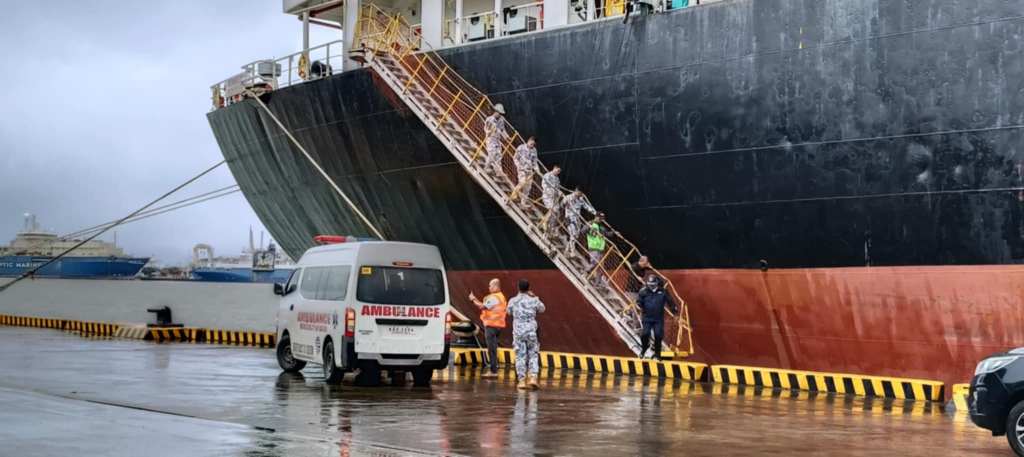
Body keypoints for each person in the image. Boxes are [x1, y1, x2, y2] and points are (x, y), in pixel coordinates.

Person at [507, 278, 545, 390]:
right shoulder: (534, 300)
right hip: (531, 332)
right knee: (533, 354)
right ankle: (533, 378)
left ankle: (522, 381)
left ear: (518, 288)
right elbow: (542, 309)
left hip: (518, 332)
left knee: (520, 356)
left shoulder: (513, 301)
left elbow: (508, 312)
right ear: (529, 288)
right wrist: (534, 296)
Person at [469, 278, 507, 378]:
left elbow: (482, 307)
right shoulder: (501, 297)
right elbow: (484, 305)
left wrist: (473, 299)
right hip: (498, 326)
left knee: (491, 349)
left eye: (490, 285)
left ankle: (493, 371)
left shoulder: (494, 297)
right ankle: (494, 368)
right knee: (493, 348)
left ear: (495, 286)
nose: (489, 287)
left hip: (491, 326)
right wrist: (475, 299)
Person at [636, 276, 678, 360]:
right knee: (644, 334)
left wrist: (675, 313)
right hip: (647, 318)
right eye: (649, 284)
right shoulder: (643, 291)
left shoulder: (663, 292)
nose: (651, 286)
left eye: (653, 284)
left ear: (657, 284)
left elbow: (671, 302)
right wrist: (638, 306)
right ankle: (644, 348)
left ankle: (657, 354)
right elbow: (639, 302)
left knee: (658, 335)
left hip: (658, 319)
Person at [508, 137, 539, 211]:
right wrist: (518, 165)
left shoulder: (534, 151)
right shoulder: (521, 147)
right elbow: (515, 158)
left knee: (527, 188)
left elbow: (534, 162)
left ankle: (523, 203)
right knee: (522, 182)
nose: (532, 145)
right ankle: (512, 196)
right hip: (522, 169)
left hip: (529, 171)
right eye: (531, 143)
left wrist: (537, 169)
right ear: (528, 141)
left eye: (533, 144)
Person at [561, 189, 596, 255]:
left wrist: (595, 213)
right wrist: (564, 204)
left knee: (575, 236)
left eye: (581, 193)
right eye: (579, 192)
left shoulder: (581, 200)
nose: (580, 194)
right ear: (576, 191)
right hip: (569, 219)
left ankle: (567, 249)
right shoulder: (568, 197)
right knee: (573, 235)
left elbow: (587, 207)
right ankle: (572, 252)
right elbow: (562, 204)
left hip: (576, 221)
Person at [483, 104, 510, 178]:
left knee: (498, 156)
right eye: (499, 113)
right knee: (492, 155)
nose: (500, 115)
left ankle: (499, 172)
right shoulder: (489, 119)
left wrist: (506, 137)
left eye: (501, 113)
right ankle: (486, 168)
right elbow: (486, 129)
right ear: (496, 111)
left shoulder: (501, 119)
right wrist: (491, 131)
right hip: (490, 140)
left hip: (497, 140)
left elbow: (502, 129)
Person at [586, 217, 609, 287]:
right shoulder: (590, 224)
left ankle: (597, 283)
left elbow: (607, 234)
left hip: (601, 250)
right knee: (594, 262)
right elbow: (583, 231)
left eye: (602, 218)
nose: (601, 220)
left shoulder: (602, 228)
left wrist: (614, 233)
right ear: (596, 217)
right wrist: (588, 225)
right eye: (600, 218)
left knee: (600, 268)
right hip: (593, 248)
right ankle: (587, 270)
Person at [539, 165, 562, 233]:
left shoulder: (557, 179)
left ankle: (551, 227)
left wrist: (559, 193)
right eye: (558, 170)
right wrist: (551, 191)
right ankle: (544, 222)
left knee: (557, 213)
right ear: (554, 168)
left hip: (554, 199)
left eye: (559, 171)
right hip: (547, 197)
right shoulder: (547, 175)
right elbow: (543, 185)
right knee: (552, 210)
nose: (558, 172)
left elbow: (557, 189)